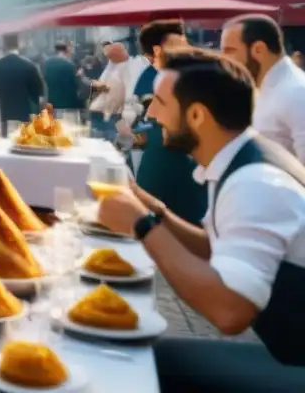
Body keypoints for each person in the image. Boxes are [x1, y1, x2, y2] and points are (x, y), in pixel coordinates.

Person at [98, 47, 305, 391]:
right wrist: (152, 208)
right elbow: (213, 247)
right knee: (130, 352)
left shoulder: (254, 183)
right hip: (288, 353)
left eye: (160, 103)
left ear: (196, 115)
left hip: (296, 365)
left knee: (125, 365)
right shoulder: (242, 156)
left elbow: (229, 313)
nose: (151, 112)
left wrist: (142, 226)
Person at [131, 20, 207, 225]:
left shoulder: (200, 71)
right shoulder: (150, 76)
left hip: (190, 161)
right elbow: (140, 120)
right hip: (164, 157)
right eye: (178, 44)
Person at [220, 14, 305, 162]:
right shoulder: (263, 87)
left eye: (229, 51)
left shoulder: (296, 92)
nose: (223, 60)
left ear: (259, 50)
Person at [0, 33, 45, 133]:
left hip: (0, 119)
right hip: (23, 119)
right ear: (19, 44)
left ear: (3, 45)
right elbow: (38, 96)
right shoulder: (30, 67)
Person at [43, 42, 82, 111]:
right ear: (66, 51)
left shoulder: (46, 63)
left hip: (50, 101)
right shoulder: (70, 65)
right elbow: (76, 85)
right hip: (67, 102)